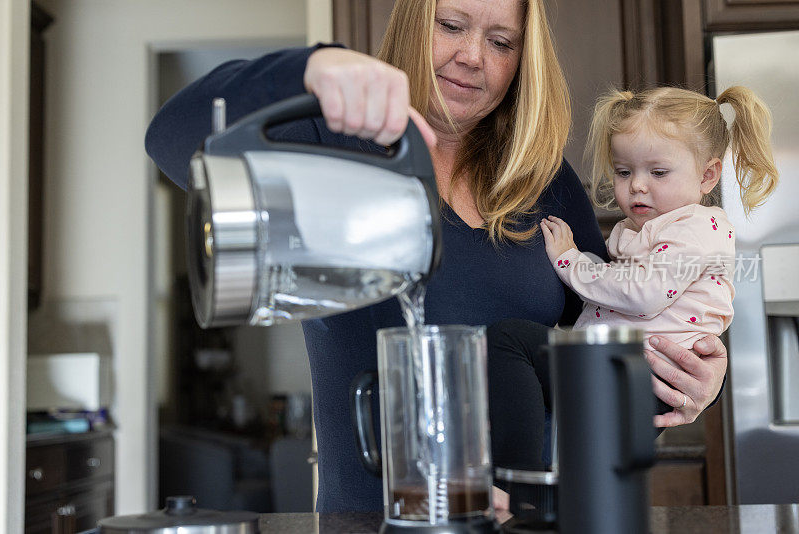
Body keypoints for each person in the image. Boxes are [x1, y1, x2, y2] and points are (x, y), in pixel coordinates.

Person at [144, 0, 729, 513]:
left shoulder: (541, 179)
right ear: (412, 23)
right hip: (377, 517)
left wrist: (692, 379)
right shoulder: (332, 144)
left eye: (500, 41)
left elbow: (606, 353)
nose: (472, 56)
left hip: (539, 515)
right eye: (450, 25)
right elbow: (171, 137)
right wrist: (310, 68)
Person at [539, 86, 778, 367]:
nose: (637, 185)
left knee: (512, 340)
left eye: (659, 172)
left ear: (707, 175)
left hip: (649, 374)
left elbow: (643, 294)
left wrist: (571, 263)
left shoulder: (695, 230)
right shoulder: (650, 226)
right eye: (623, 172)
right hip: (626, 367)